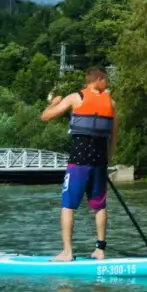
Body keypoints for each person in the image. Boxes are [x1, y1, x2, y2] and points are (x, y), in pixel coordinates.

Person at [41, 66, 117, 261]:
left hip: (78, 162)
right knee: (99, 206)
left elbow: (46, 117)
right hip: (99, 163)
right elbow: (113, 137)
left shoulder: (76, 98)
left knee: (68, 205)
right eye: (106, 80)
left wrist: (54, 102)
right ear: (98, 79)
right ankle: (100, 250)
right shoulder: (112, 103)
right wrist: (108, 159)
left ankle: (67, 252)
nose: (107, 84)